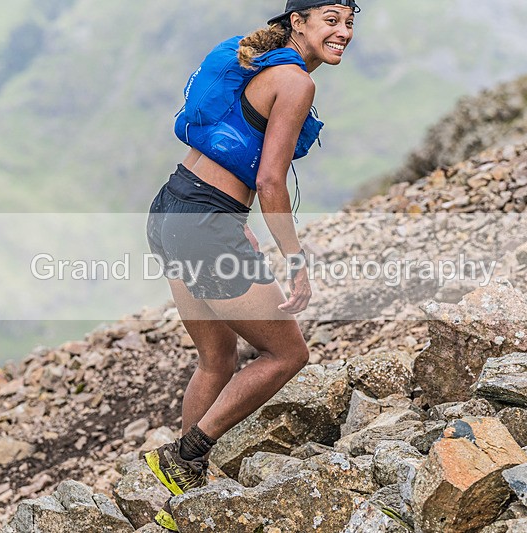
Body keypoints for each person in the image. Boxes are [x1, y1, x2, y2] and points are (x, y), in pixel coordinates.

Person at [143, 1, 358, 529]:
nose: (344, 32)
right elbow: (269, 181)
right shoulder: (294, 82)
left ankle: (184, 501)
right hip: (204, 223)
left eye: (351, 22)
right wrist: (295, 258)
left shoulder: (259, 63)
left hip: (172, 207)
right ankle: (186, 454)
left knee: (215, 360)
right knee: (286, 353)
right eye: (331, 19)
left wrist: (225, 219)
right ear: (298, 22)